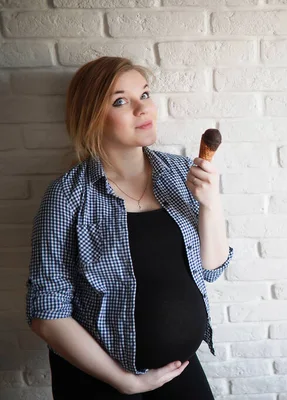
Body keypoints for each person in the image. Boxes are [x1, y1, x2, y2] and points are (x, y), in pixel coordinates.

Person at [25, 56, 234, 399]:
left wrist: (210, 203)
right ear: (91, 116)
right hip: (101, 382)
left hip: (179, 371)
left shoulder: (182, 174)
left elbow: (211, 268)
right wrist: (126, 382)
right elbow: (46, 312)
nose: (143, 108)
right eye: (121, 101)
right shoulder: (67, 197)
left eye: (146, 94)